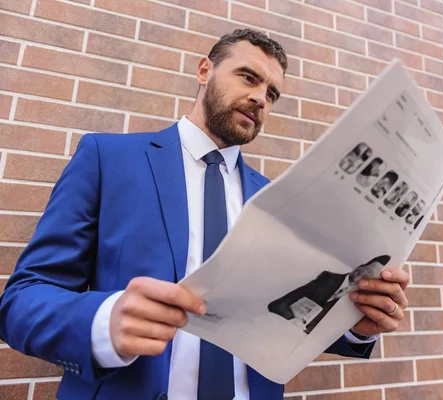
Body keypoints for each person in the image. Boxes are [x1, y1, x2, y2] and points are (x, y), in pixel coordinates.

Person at [0, 29, 409, 400]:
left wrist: (355, 327)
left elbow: (289, 315)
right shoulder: (108, 159)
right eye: (248, 77)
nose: (259, 99)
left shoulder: (277, 200)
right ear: (204, 70)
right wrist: (102, 323)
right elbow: (22, 301)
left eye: (271, 94)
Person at [268, 256, 391, 335]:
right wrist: (291, 321)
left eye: (371, 277)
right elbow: (280, 303)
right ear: (360, 267)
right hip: (274, 327)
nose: (365, 277)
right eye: (367, 271)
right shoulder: (327, 278)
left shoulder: (355, 301)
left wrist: (359, 334)